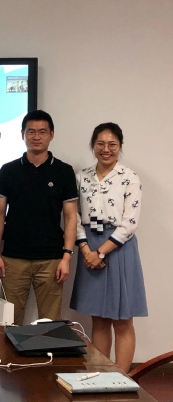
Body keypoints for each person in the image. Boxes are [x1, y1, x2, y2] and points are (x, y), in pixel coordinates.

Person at [70, 122, 147, 372]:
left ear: (120, 146)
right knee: (99, 318)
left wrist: (101, 252)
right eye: (100, 144)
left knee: (122, 319)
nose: (106, 149)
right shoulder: (81, 177)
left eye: (112, 144)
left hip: (119, 248)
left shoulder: (129, 177)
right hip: (89, 246)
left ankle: (122, 379)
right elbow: (73, 216)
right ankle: (100, 376)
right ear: (93, 146)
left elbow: (130, 222)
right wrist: (86, 250)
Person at [0, 110, 77, 326]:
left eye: (42, 132)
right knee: (9, 323)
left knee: (50, 323)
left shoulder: (64, 171)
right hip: (13, 258)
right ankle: (10, 352)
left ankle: (46, 351)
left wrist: (66, 257)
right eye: (31, 132)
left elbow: (70, 217)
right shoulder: (8, 170)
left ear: (51, 134)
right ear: (23, 134)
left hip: (51, 259)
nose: (36, 136)